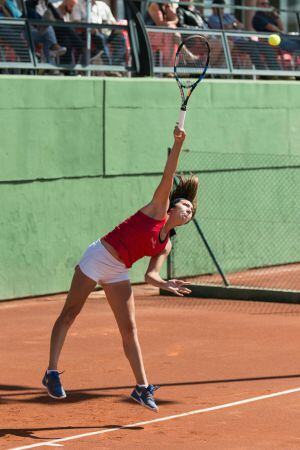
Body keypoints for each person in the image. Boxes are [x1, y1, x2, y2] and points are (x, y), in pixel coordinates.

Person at [42, 126, 198, 412]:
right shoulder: (157, 208)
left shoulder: (165, 246)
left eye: (192, 212)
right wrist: (178, 143)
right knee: (70, 313)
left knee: (129, 329)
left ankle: (141, 388)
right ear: (173, 205)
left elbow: (150, 276)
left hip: (118, 270)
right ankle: (51, 372)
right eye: (186, 205)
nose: (188, 211)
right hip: (99, 255)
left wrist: (165, 283)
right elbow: (168, 174)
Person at [208, 0, 281, 70]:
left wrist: (232, 25)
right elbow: (225, 27)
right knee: (252, 47)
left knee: (266, 47)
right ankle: (262, 71)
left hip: (244, 40)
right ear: (213, 8)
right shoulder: (212, 18)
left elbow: (241, 25)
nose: (221, 10)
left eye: (222, 8)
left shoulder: (228, 16)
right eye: (219, 8)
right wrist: (234, 25)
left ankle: (276, 71)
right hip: (234, 42)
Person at [69, 0, 126, 67]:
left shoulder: (103, 6)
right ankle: (109, 66)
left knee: (119, 38)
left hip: (105, 34)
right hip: (87, 35)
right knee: (99, 37)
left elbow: (112, 21)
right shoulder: (78, 5)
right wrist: (89, 28)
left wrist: (118, 27)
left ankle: (116, 66)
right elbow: (76, 23)